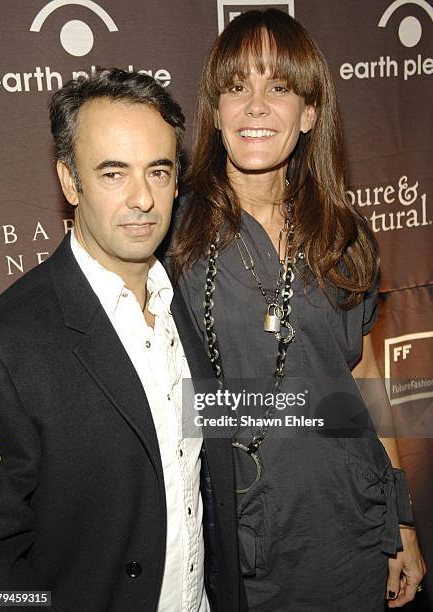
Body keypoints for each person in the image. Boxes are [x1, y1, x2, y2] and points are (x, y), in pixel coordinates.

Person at [170, 9, 426, 611]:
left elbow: (361, 381)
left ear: (309, 113)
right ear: (217, 111)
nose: (255, 106)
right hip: (242, 535)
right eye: (237, 88)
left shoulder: (345, 234)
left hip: (350, 525)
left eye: (278, 87)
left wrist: (402, 521)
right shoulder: (174, 233)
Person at [0, 70, 245, 612]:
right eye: (112, 173)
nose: (142, 199)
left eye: (158, 171)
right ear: (69, 181)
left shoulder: (187, 301)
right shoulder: (8, 344)